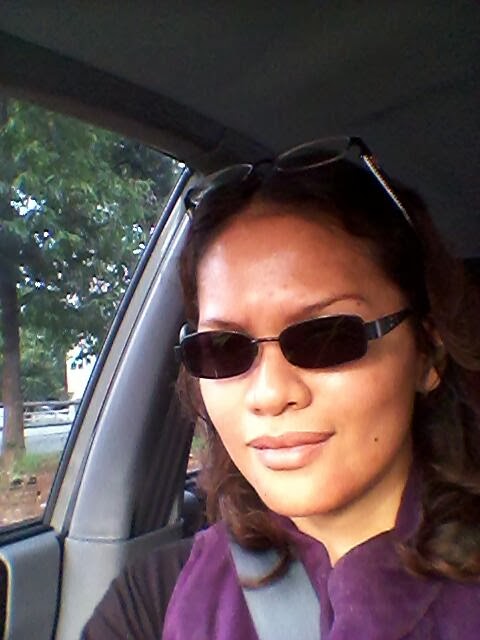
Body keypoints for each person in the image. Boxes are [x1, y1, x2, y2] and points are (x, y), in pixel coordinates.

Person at [83, 137, 480, 639]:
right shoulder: (154, 600)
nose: (269, 394)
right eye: (224, 348)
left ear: (428, 355)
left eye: (328, 337)